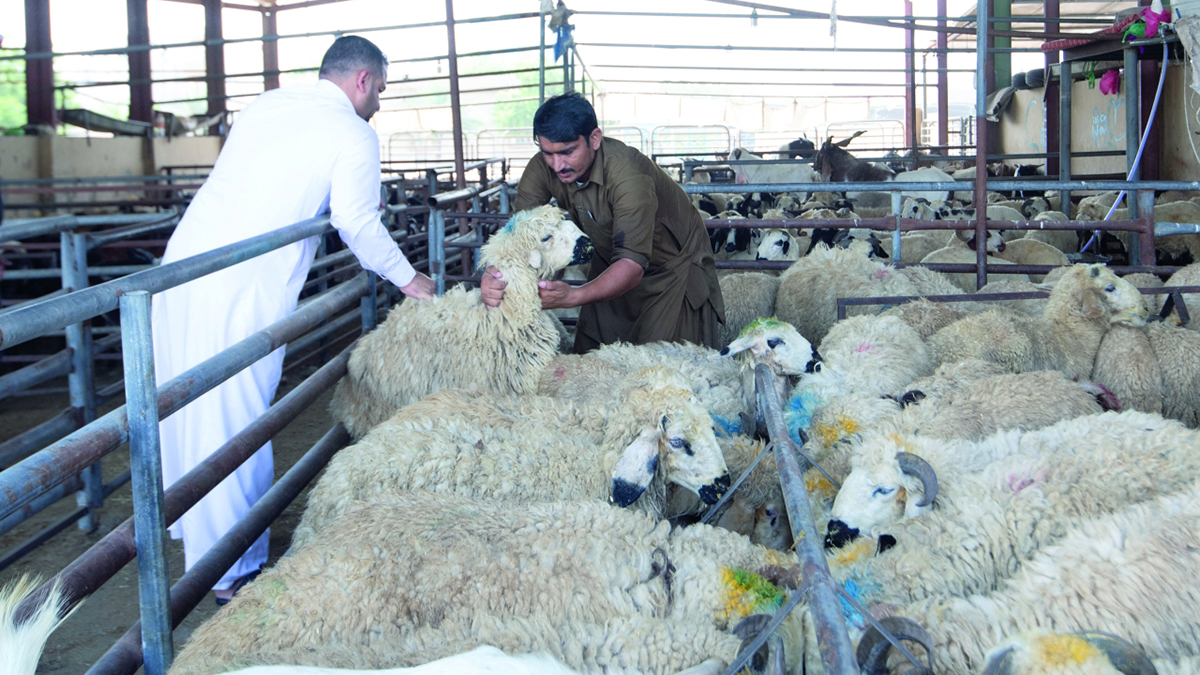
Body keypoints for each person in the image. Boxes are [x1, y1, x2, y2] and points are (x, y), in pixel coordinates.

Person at [151, 35, 434, 604]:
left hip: (182, 267)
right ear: (362, 81)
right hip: (237, 284)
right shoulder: (353, 133)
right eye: (379, 89)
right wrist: (410, 279)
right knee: (234, 421)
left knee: (186, 411)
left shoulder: (269, 103)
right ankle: (232, 574)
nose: (378, 100)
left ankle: (193, 536)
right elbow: (357, 221)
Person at [480, 93, 723, 353]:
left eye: (567, 151)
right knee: (591, 364)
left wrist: (573, 296)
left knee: (664, 369)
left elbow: (632, 264)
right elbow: (517, 234)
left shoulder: (628, 175)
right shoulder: (544, 167)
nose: (557, 165)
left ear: (594, 139)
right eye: (547, 153)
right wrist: (492, 275)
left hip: (669, 274)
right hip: (611, 264)